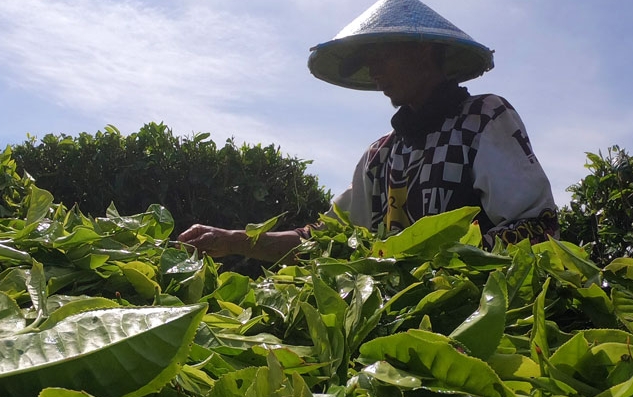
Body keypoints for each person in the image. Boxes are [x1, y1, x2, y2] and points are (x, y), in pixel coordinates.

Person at [179, 0, 558, 265]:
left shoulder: (483, 119)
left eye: (381, 57)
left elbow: (538, 229)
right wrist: (234, 240)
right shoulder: (380, 157)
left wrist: (437, 263)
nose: (374, 72)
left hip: (481, 318)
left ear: (423, 52)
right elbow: (323, 240)